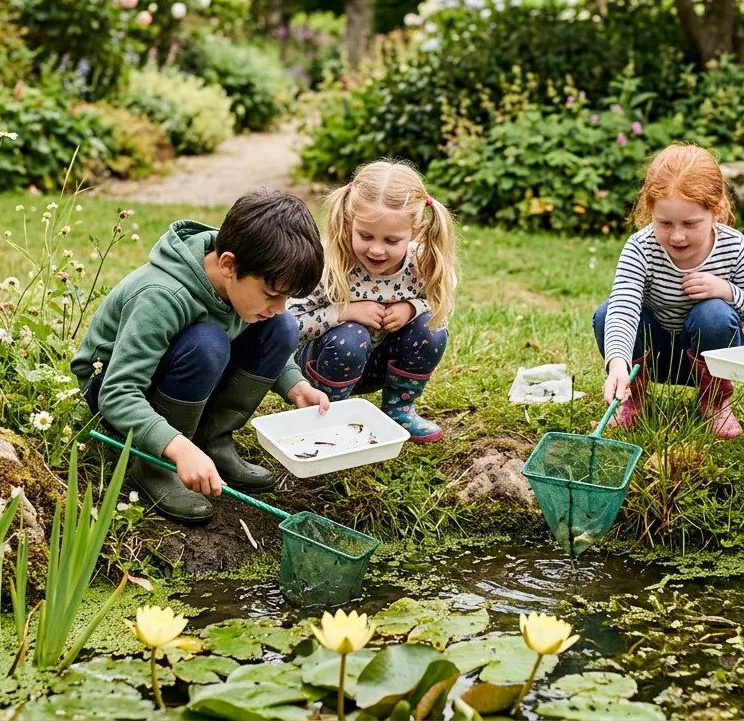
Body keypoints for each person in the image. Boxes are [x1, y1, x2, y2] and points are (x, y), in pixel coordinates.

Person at [72, 190, 330, 524]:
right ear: (228, 265)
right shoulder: (162, 295)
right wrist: (177, 449)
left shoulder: (242, 273)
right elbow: (117, 392)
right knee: (208, 343)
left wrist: (295, 385)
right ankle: (155, 466)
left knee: (281, 326)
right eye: (271, 294)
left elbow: (262, 331)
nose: (280, 306)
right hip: (113, 386)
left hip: (179, 370)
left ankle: (212, 442)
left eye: (287, 297)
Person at [594, 144, 744, 438]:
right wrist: (617, 364)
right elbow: (623, 309)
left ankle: (714, 402)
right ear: (649, 210)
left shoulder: (733, 247)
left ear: (716, 211)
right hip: (656, 358)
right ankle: (632, 397)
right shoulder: (641, 248)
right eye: (665, 223)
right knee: (606, 313)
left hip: (711, 360)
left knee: (713, 313)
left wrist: (727, 291)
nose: (677, 236)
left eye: (690, 224)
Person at [290, 160, 458, 444]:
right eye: (365, 236)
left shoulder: (422, 264)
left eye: (392, 241)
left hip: (377, 367)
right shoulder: (329, 263)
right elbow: (289, 325)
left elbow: (439, 304)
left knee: (432, 329)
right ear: (349, 223)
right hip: (321, 366)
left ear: (415, 231)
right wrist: (344, 312)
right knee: (351, 336)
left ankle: (398, 410)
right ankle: (326, 416)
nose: (377, 250)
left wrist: (412, 308)